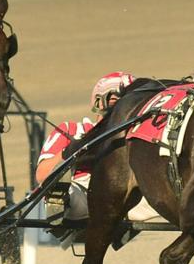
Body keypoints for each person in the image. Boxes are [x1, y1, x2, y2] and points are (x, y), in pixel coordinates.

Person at [35, 71, 159, 226]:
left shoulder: (138, 136)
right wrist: (71, 151)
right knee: (69, 190)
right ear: (99, 101)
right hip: (81, 193)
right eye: (116, 100)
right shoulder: (71, 129)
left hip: (124, 196)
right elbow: (42, 174)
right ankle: (59, 198)